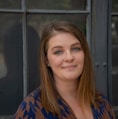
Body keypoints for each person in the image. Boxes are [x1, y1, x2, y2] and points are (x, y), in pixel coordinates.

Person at [14, 21, 115, 119]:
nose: (69, 57)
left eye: (75, 49)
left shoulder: (101, 103)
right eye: (58, 52)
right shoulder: (31, 109)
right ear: (46, 60)